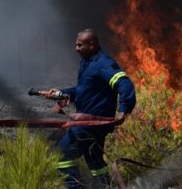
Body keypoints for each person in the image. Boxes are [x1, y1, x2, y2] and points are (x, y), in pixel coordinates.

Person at [46, 29, 136, 189]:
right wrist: (62, 94)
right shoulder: (88, 63)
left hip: (91, 125)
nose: (76, 48)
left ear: (92, 45)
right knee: (95, 164)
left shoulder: (103, 64)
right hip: (89, 124)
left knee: (62, 154)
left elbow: (125, 83)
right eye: (76, 44)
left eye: (80, 45)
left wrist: (124, 109)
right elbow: (84, 91)